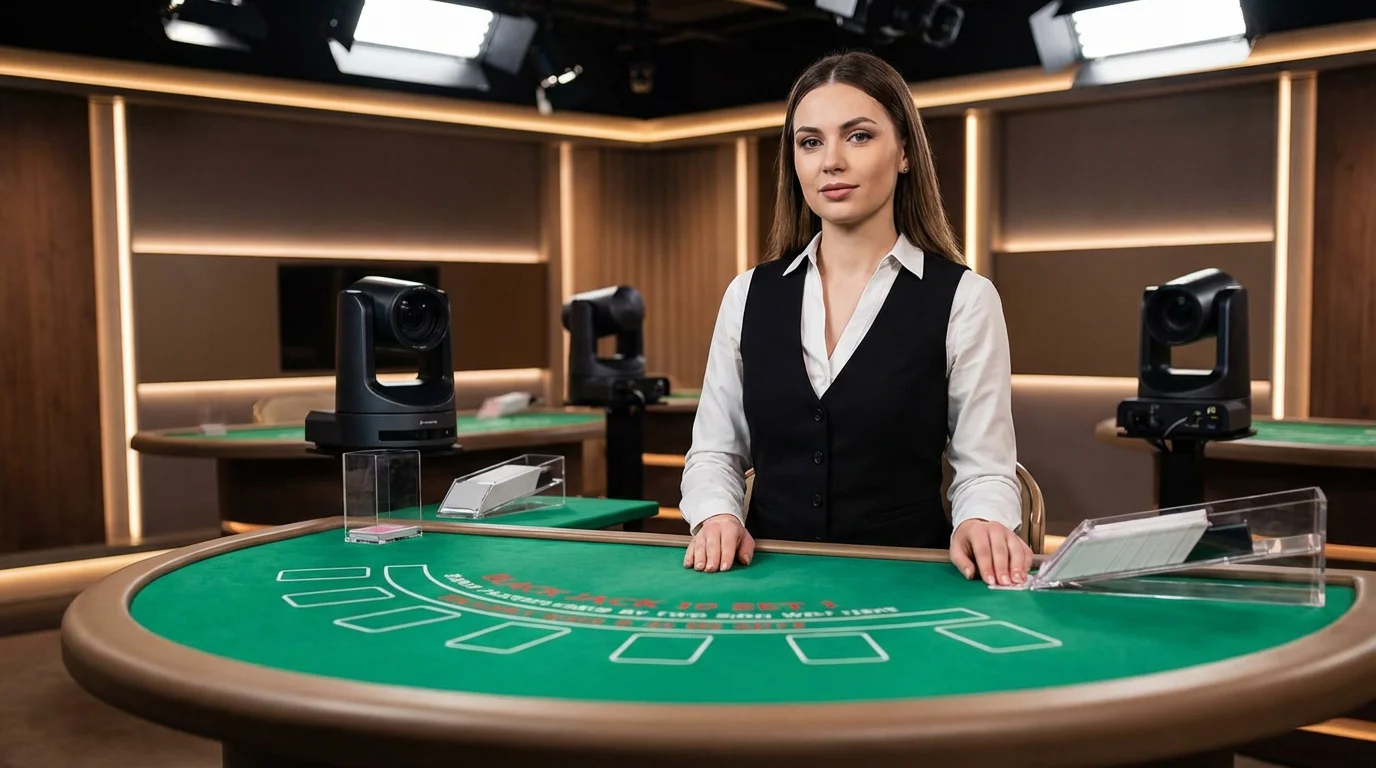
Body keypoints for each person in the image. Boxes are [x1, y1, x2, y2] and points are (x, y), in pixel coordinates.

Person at [678, 50, 1031, 586]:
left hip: (908, 584)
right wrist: (716, 515)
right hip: (766, 580)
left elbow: (984, 468)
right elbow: (714, 452)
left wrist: (981, 520)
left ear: (905, 152)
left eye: (859, 136)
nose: (831, 162)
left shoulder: (966, 298)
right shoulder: (747, 294)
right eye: (810, 142)